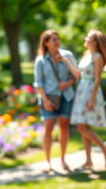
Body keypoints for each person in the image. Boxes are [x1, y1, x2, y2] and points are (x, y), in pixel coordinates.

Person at [60, 29, 106, 169]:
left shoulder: (97, 57)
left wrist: (91, 99)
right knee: (84, 126)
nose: (85, 38)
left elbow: (97, 79)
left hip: (90, 91)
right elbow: (79, 75)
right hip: (81, 90)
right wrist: (67, 62)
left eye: (89, 37)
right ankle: (88, 160)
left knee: (80, 127)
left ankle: (104, 148)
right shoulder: (87, 55)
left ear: (95, 41)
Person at [34, 29, 76, 172]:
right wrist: (44, 100)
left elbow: (75, 75)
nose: (57, 42)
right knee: (48, 128)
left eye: (58, 39)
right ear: (46, 43)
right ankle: (47, 161)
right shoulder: (40, 60)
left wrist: (68, 84)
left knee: (64, 127)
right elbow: (38, 83)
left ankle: (63, 160)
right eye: (54, 40)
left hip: (66, 97)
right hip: (49, 98)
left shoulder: (68, 55)